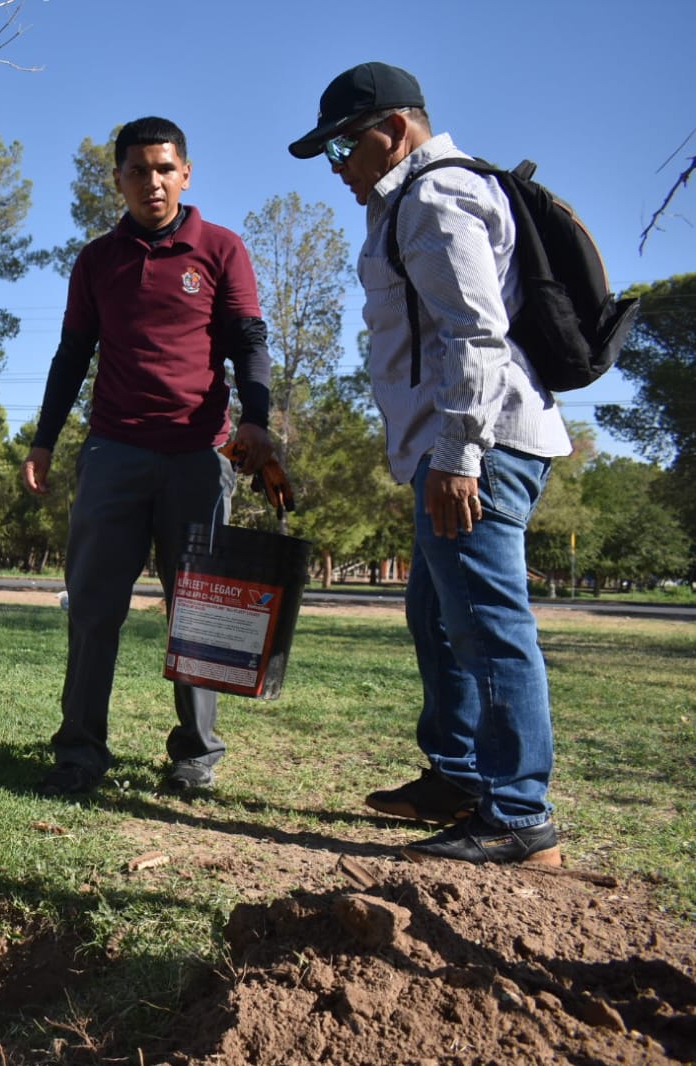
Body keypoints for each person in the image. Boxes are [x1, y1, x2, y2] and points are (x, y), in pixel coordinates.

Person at [288, 63, 570, 866]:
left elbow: (474, 336)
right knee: (434, 614)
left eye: (342, 146)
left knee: (485, 623)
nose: (336, 166)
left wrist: (455, 456)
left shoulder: (434, 197)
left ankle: (518, 814)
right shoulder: (413, 200)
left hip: (478, 445)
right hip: (466, 443)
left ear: (394, 129)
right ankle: (457, 775)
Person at [22, 116, 274, 797]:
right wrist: (43, 440)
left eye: (164, 169)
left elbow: (248, 340)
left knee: (198, 612)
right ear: (118, 181)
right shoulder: (97, 260)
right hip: (113, 452)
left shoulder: (220, 250)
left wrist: (257, 420)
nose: (152, 182)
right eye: (137, 171)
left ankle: (195, 757)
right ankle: (77, 754)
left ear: (185, 173)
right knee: (93, 607)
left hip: (197, 456)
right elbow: (71, 354)